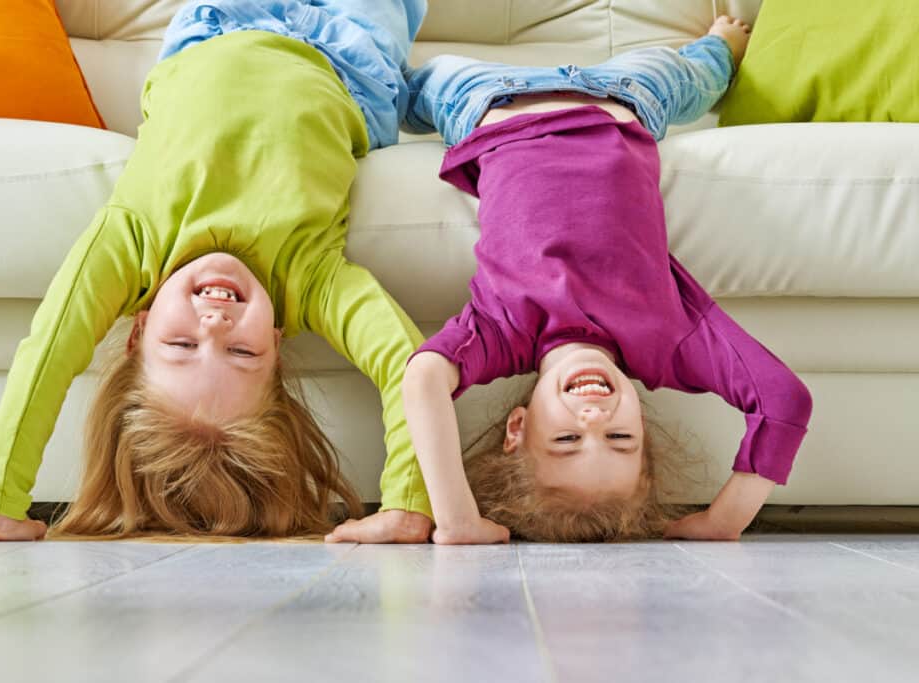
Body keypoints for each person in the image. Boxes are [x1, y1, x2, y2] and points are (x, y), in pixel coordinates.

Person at [0, 0, 436, 542]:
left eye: (180, 346)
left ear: (139, 331)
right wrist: (409, 501)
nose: (215, 326)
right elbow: (407, 362)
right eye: (242, 353)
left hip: (216, 27)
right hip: (352, 62)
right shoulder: (308, 278)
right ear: (274, 347)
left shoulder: (131, 249)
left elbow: (49, 353)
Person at [329, 16, 812, 544]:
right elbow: (783, 400)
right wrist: (724, 520)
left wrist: (458, 518)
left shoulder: (502, 333)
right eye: (619, 437)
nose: (593, 416)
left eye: (565, 439)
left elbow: (422, 378)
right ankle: (723, 41)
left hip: (488, 102)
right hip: (625, 101)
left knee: (400, 84)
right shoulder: (669, 341)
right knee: (697, 73)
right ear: (643, 430)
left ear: (518, 428)